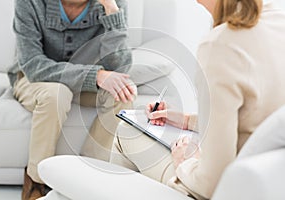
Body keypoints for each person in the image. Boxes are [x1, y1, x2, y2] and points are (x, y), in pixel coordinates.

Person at [110, 0, 285, 199]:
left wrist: (185, 162)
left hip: (219, 190)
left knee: (126, 131)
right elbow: (256, 121)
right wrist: (186, 120)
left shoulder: (220, 45)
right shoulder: (277, 19)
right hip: (270, 185)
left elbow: (211, 183)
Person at [7, 0, 136, 199]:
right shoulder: (29, 2)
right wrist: (96, 76)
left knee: (123, 93)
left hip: (83, 79)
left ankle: (85, 177)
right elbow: (33, 65)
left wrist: (112, 12)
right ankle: (36, 181)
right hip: (35, 78)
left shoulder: (114, 3)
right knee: (56, 95)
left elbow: (118, 68)